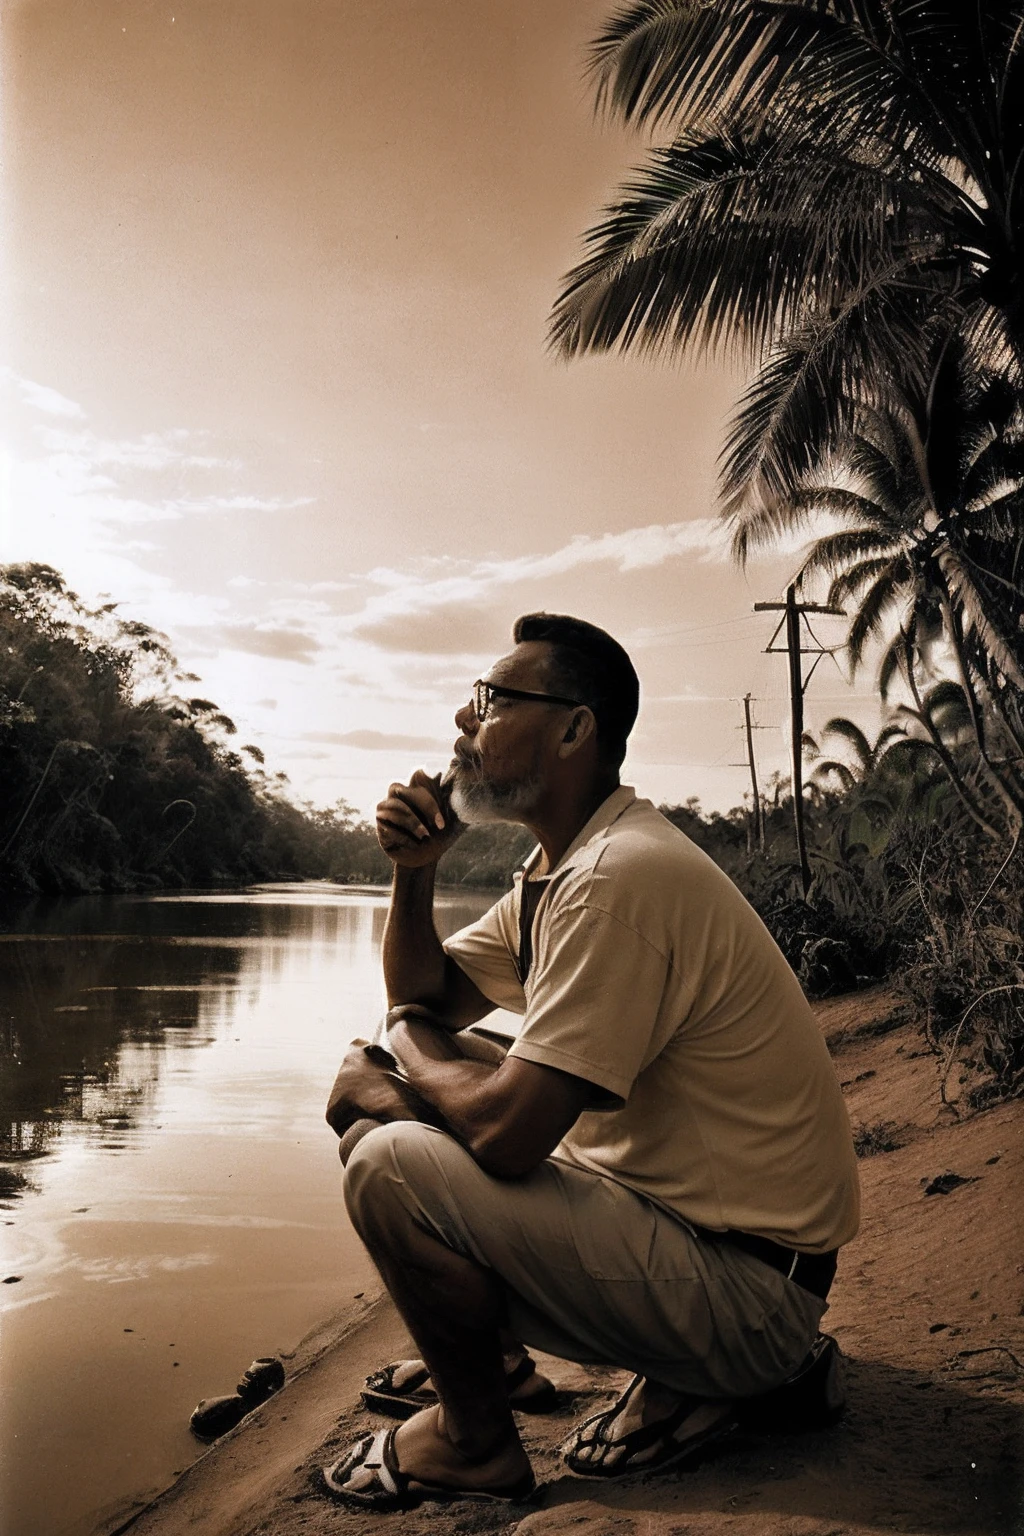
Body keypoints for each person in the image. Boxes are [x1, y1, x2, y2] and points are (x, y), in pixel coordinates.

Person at [322, 612, 860, 1511]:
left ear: (575, 729)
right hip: (721, 1251)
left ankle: (474, 1442)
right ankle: (492, 1360)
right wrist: (414, 872)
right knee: (436, 1075)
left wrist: (397, 1057)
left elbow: (504, 1136)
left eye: (492, 699)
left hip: (747, 1296)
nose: (464, 717)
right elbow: (430, 993)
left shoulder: (616, 879)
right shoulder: (566, 869)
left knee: (388, 1162)